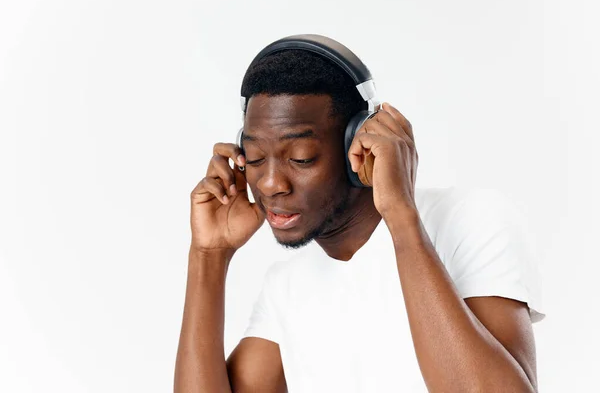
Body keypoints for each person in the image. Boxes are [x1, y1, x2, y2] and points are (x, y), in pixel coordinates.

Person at [174, 35, 544, 393]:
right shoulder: (287, 286)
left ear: (358, 147)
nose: (270, 184)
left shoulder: (470, 221)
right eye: (254, 158)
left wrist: (401, 216)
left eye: (301, 158)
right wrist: (208, 256)